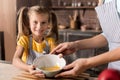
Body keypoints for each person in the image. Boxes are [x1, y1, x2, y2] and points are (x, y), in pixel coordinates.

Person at [50, 0, 120, 78]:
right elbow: (110, 35)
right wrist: (76, 45)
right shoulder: (103, 1)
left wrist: (87, 63)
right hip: (113, 71)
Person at [12, 5, 58, 77]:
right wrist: (28, 68)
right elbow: (15, 60)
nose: (39, 26)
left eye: (43, 23)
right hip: (27, 76)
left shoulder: (50, 42)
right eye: (35, 22)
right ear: (28, 23)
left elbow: (56, 59)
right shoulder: (24, 40)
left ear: (48, 24)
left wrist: (59, 57)